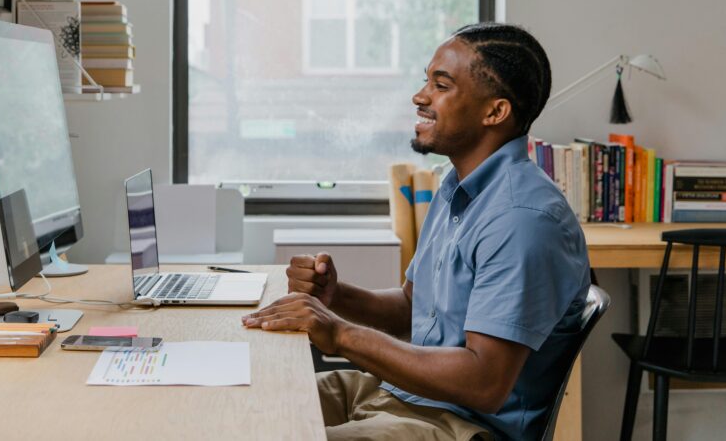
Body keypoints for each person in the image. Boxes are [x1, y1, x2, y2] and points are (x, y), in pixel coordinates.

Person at [243, 23, 590, 441]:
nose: (420, 96)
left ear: (494, 112)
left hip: (457, 425)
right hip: (397, 395)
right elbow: (414, 306)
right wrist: (337, 296)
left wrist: (340, 333)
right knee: (241, 407)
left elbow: (484, 382)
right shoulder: (457, 188)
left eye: (440, 85)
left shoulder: (522, 219)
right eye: (426, 80)